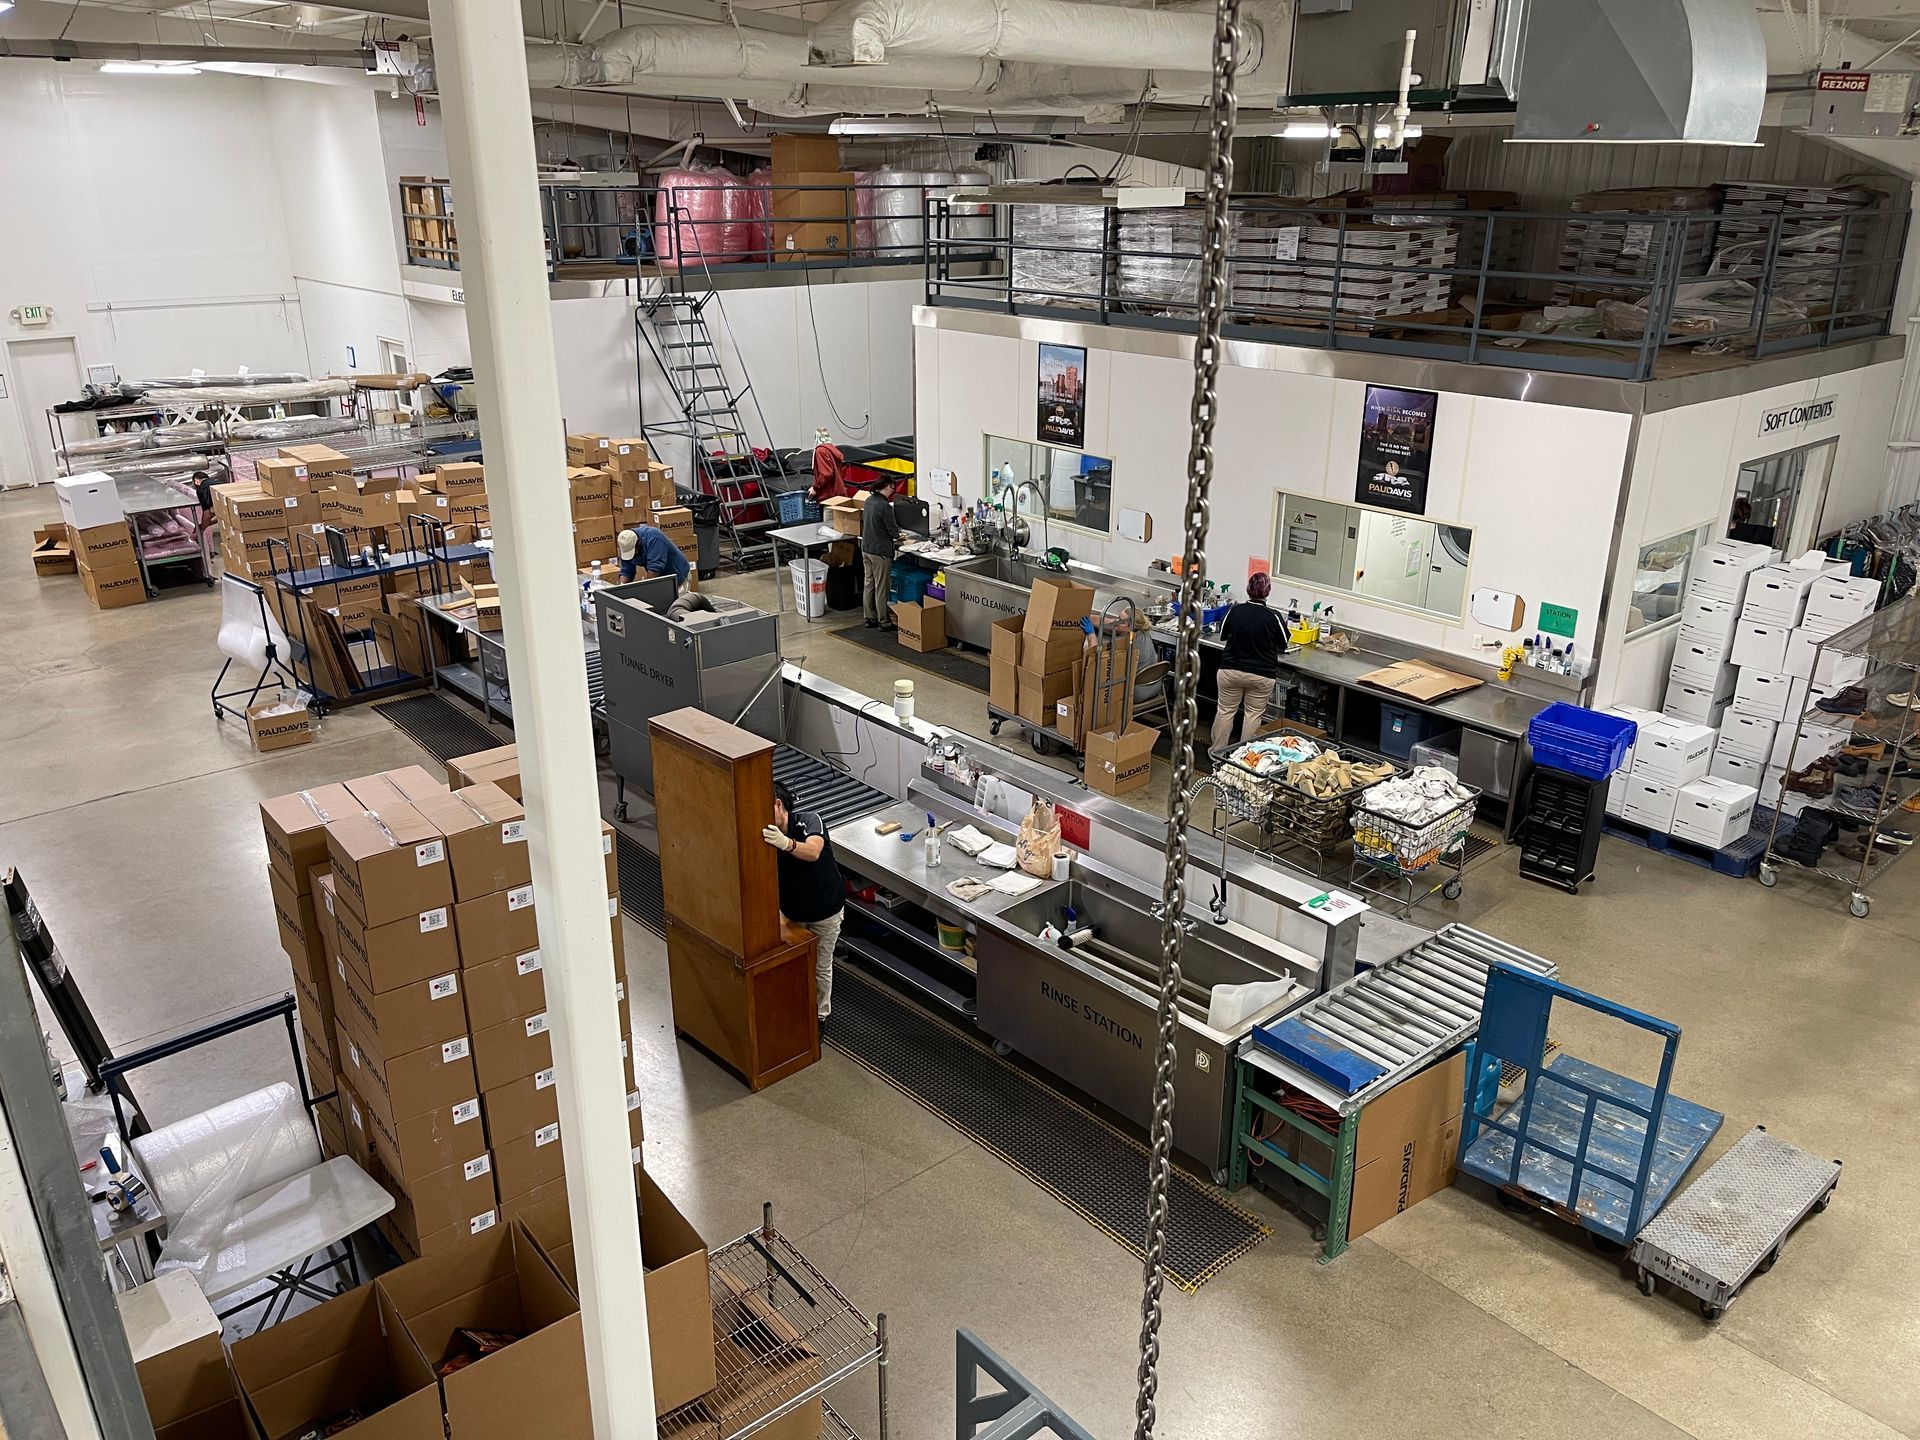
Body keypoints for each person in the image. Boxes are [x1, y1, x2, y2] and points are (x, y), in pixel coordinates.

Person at [761, 780, 845, 1022]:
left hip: (825, 910)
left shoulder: (809, 821)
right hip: (792, 911)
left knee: (820, 965)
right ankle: (794, 1009)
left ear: (778, 805)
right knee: (792, 963)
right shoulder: (765, 833)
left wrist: (786, 844)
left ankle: (820, 1016)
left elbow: (812, 851)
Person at [1211, 571, 1288, 752]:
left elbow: (1222, 635)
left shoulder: (1235, 610)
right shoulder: (1274, 617)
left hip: (1231, 671)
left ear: (1248, 589)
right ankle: (1243, 758)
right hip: (1261, 676)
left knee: (1225, 710)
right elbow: (1283, 645)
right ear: (1268, 591)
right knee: (1252, 715)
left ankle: (1217, 752)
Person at [860, 478, 901, 630]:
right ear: (885, 486)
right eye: (892, 487)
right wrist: (900, 535)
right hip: (880, 552)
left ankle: (869, 618)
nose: (892, 490)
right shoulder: (884, 506)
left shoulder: (869, 501)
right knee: (882, 587)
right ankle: (884, 622)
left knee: (869, 584)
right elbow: (893, 531)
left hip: (866, 548)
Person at [616, 524, 690, 585]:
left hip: (678, 575)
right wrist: (622, 587)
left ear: (638, 543)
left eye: (632, 551)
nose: (632, 555)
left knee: (677, 602)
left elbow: (654, 568)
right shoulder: (626, 542)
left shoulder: (654, 538)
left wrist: (646, 589)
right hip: (661, 579)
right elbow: (627, 571)